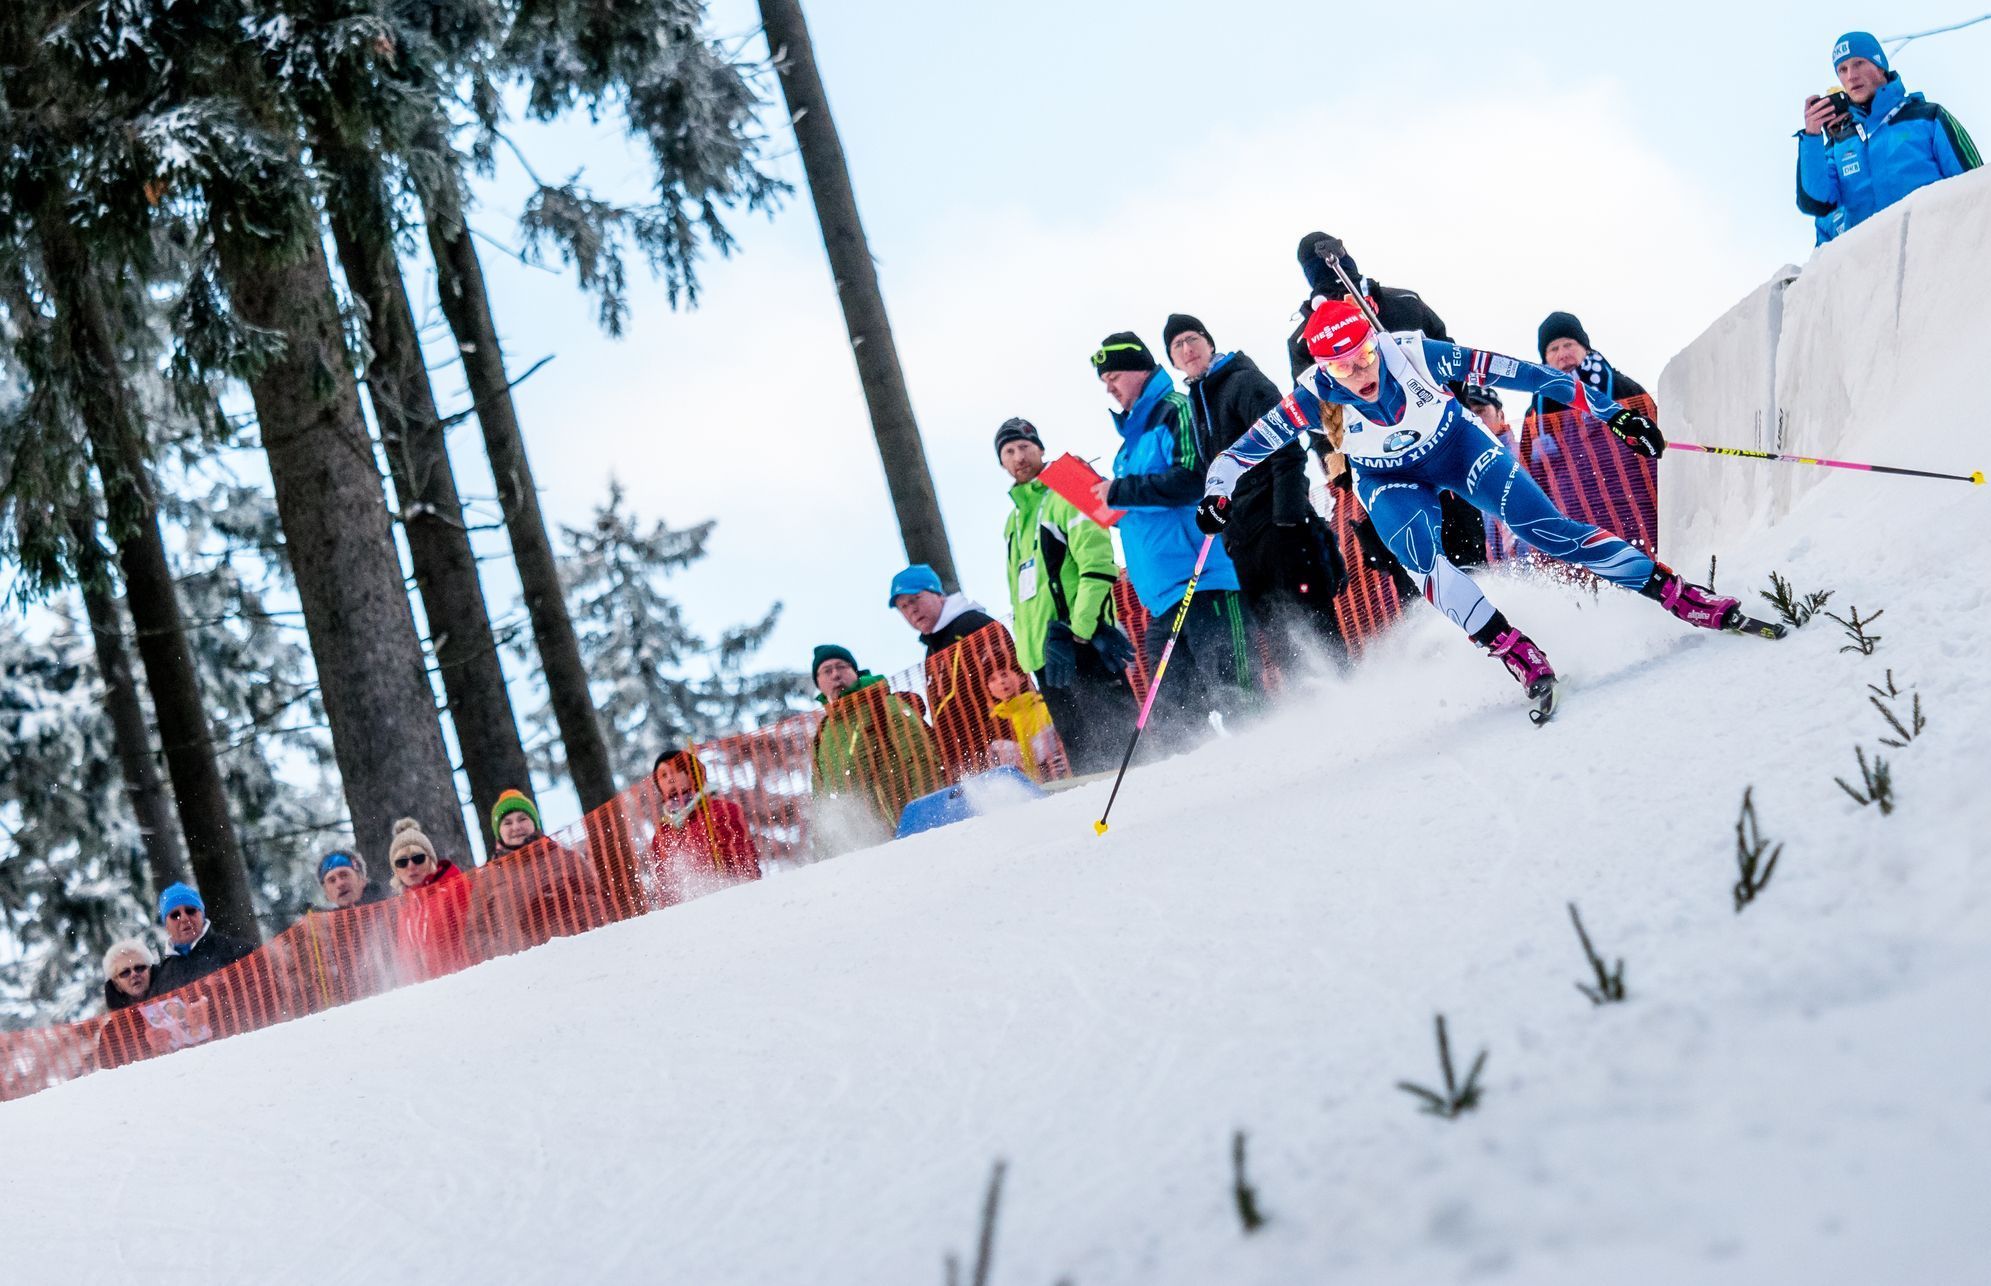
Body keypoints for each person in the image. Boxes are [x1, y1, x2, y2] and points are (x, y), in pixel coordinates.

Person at [1198, 298, 1765, 721]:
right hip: (1389, 479)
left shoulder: (1413, 353)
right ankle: (1518, 654)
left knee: (1547, 529)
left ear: (1375, 342)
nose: (1362, 373)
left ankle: (1681, 597)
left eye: (1365, 356)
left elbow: (1526, 373)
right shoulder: (1313, 396)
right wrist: (1216, 494)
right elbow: (1242, 452)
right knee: (1425, 566)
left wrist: (1610, 410)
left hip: (1457, 447)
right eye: (1343, 368)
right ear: (1325, 369)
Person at [1290, 234, 1486, 569]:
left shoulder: (1401, 302)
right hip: (1378, 457)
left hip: (1438, 438)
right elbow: (1315, 402)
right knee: (1415, 558)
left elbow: (1448, 355)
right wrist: (1339, 468)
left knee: (1464, 545)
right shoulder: (1307, 336)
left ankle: (1494, 609)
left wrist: (1457, 411)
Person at [1092, 332, 1253, 737]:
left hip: (1205, 583)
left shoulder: (1174, 411)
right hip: (1163, 599)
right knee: (1174, 723)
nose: (1109, 387)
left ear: (1138, 369)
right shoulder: (1128, 447)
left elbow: (1195, 477)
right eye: (1103, 381)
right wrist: (1107, 503)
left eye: (1113, 376)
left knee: (1237, 696)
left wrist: (1120, 492)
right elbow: (1140, 501)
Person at [1165, 312, 1345, 667]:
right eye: (1177, 345)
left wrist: (1287, 522)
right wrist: (1224, 528)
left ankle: (1359, 707)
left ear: (1209, 343)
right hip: (1244, 543)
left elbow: (1288, 448)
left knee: (1317, 631)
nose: (1187, 349)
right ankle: (1319, 719)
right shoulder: (1197, 403)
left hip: (1282, 531)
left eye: (1192, 339)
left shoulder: (1242, 383)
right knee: (1283, 646)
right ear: (1172, 360)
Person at [996, 417, 1138, 775]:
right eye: (1009, 451)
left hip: (1082, 642)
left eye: (1025, 447)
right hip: (1045, 657)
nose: (1018, 457)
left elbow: (1097, 565)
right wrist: (1028, 656)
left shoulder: (1065, 494)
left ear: (1040, 450)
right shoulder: (1012, 523)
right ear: (1002, 462)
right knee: (1086, 759)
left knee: (1123, 752)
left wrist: (1080, 631)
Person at [1795, 31, 1979, 244]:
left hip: (1939, 254)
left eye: (1859, 63)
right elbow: (1816, 202)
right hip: (1875, 269)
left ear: (1880, 65)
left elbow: (1975, 186)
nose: (1851, 76)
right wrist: (1811, 137)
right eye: (1842, 70)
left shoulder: (1928, 118)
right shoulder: (1840, 146)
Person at [889, 563, 1020, 775]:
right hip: (965, 764)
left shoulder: (972, 624)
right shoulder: (931, 650)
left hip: (1002, 750)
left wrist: (1006, 738)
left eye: (915, 599)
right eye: (903, 606)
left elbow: (1011, 677)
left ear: (937, 594)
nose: (911, 609)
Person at [809, 644, 944, 847]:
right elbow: (821, 803)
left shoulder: (883, 705)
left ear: (855, 672)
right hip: (861, 846)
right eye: (827, 671)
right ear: (818, 683)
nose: (836, 674)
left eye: (842, 666)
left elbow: (920, 758)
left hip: (908, 830)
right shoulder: (822, 733)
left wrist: (928, 814)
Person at [466, 790, 610, 957]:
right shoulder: (486, 879)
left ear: (535, 822)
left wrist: (572, 903)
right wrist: (503, 952)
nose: (516, 827)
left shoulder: (567, 859)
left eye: (523, 819)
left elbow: (605, 906)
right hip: (521, 968)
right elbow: (473, 936)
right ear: (499, 832)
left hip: (576, 954)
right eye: (507, 823)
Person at [647, 747, 761, 905]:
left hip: (733, 899)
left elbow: (744, 859)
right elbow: (664, 885)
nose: (670, 779)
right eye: (663, 776)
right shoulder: (662, 833)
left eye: (675, 771)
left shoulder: (724, 810)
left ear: (691, 773)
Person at [386, 817, 472, 981]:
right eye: (402, 862)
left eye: (418, 858)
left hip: (462, 980)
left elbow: (474, 934)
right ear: (396, 870)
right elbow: (405, 961)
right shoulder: (405, 910)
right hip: (427, 993)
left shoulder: (455, 887)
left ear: (431, 859)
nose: (411, 866)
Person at [149, 882, 256, 996]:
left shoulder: (237, 951)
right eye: (175, 915)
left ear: (202, 914)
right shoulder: (162, 978)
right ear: (166, 925)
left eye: (190, 911)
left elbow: (267, 994)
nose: (184, 918)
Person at [316, 849, 389, 910]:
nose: (340, 884)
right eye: (332, 880)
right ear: (327, 894)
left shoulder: (390, 902)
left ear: (362, 879)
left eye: (344, 875)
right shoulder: (327, 924)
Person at [101, 938, 156, 1013]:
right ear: (116, 984)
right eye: (125, 972)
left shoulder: (173, 993)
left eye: (139, 968)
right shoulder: (117, 1023)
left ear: (150, 971)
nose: (134, 974)